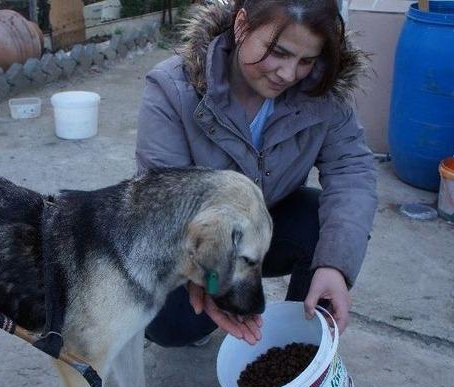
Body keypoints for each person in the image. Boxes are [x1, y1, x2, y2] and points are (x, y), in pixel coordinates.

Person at [136, 0, 377, 346]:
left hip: (270, 224)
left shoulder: (325, 91)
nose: (288, 74)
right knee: (170, 325)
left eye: (306, 60)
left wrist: (335, 267)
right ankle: (209, 305)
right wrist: (209, 279)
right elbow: (165, 204)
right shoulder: (172, 88)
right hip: (198, 240)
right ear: (241, 25)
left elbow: (351, 171)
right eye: (278, 52)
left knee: (321, 221)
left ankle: (299, 338)